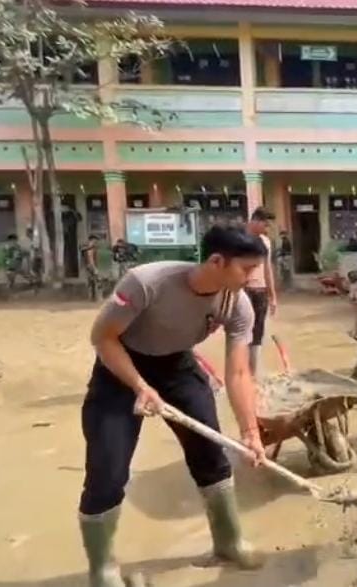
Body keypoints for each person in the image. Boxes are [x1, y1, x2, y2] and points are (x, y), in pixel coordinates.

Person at [79, 225, 268, 587]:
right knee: (108, 470)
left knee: (211, 453)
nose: (252, 278)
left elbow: (239, 372)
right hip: (120, 369)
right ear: (217, 261)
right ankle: (102, 569)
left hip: (178, 367)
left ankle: (229, 542)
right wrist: (140, 386)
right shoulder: (146, 283)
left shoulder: (237, 303)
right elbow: (101, 338)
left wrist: (250, 432)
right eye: (246, 269)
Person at [244, 208, 278, 377]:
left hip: (261, 291)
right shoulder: (240, 239)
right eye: (265, 225)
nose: (267, 229)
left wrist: (273, 296)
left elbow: (267, 269)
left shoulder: (265, 242)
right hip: (243, 291)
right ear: (255, 221)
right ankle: (241, 372)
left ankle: (253, 374)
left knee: (258, 331)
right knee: (241, 331)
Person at [81, 234, 101, 301]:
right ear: (92, 240)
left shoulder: (95, 248)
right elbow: (82, 250)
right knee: (90, 281)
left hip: (93, 266)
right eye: (95, 240)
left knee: (96, 280)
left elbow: (95, 258)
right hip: (89, 266)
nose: (96, 242)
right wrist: (90, 247)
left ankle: (96, 296)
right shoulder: (85, 247)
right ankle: (91, 297)